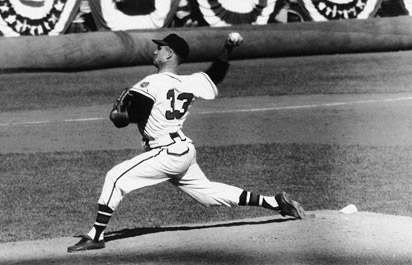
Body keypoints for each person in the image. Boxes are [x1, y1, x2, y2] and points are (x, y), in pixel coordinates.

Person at [66, 32, 306, 253]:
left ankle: (96, 235)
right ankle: (275, 202)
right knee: (208, 195)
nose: (154, 51)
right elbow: (216, 74)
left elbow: (129, 118)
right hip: (182, 150)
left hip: (166, 153)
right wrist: (228, 48)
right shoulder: (190, 82)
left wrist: (116, 116)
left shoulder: (151, 82)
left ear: (169, 53)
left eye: (159, 48)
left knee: (116, 177)